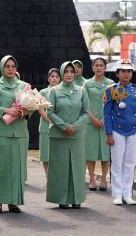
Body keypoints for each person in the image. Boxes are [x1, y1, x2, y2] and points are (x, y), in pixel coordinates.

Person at [0, 55, 29, 214]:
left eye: (13, 66)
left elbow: (31, 107)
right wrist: (6, 110)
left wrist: (26, 110)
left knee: (16, 168)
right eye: (7, 66)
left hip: (19, 132)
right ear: (2, 68)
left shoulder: (24, 86)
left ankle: (13, 201)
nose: (10, 69)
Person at [103, 59, 136, 205]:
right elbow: (107, 114)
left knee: (130, 163)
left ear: (132, 73)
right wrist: (108, 133)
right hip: (117, 130)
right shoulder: (111, 90)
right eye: (123, 71)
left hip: (134, 130)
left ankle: (127, 194)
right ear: (117, 73)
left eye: (129, 71)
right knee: (117, 162)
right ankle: (117, 194)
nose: (126, 74)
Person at [46, 61, 90, 209]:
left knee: (77, 167)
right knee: (61, 168)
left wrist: (75, 126)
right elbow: (49, 112)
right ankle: (61, 198)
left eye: (72, 71)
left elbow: (86, 112)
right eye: (66, 71)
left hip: (77, 135)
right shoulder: (54, 91)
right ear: (62, 73)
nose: (70, 74)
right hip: (59, 135)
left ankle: (77, 198)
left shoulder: (82, 91)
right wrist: (64, 126)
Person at [83, 57, 113, 191]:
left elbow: (112, 104)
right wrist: (94, 119)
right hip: (91, 123)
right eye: (97, 65)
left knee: (105, 153)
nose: (99, 67)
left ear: (105, 68)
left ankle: (104, 179)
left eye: (101, 65)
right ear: (93, 68)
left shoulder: (111, 83)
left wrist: (104, 119)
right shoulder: (87, 84)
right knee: (91, 153)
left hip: (106, 123)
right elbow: (84, 104)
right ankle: (92, 179)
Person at [38, 68, 61, 179]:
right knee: (46, 155)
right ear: (48, 78)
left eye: (57, 76)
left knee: (58, 155)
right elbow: (41, 110)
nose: (54, 79)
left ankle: (57, 177)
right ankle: (48, 177)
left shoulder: (62, 92)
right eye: (52, 76)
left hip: (60, 127)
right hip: (46, 126)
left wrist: (59, 123)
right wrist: (52, 121)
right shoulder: (42, 92)